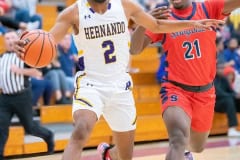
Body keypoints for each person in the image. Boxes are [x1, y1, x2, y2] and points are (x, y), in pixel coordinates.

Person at [14, 0, 223, 160]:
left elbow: (157, 25)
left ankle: (108, 154)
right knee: (81, 130)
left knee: (124, 155)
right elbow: (47, 43)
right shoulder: (73, 13)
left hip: (120, 86)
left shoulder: (125, 6)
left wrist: (193, 23)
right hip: (90, 84)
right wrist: (24, 49)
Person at [130, 0, 240, 160]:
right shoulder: (164, 17)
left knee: (197, 146)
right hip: (175, 90)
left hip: (205, 93)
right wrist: (143, 22)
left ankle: (185, 155)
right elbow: (134, 49)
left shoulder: (208, 8)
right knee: (178, 138)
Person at [0, 31, 54, 160]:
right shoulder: (1, 57)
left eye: (12, 37)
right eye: (7, 38)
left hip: (22, 96)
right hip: (4, 98)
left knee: (29, 128)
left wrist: (20, 71)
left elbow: (38, 73)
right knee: (1, 127)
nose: (10, 40)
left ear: (17, 40)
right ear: (4, 41)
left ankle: (48, 135)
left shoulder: (25, 55)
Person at [214, 63, 240, 137]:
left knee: (236, 100)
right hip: (216, 104)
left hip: (226, 101)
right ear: (215, 69)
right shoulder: (211, 80)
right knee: (229, 100)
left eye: (223, 68)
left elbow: (231, 91)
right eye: (220, 68)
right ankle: (232, 129)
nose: (222, 70)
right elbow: (219, 93)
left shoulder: (224, 79)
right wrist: (234, 95)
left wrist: (237, 94)